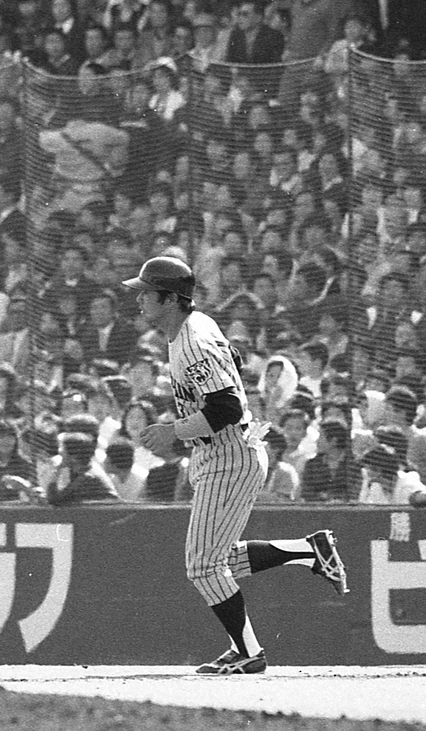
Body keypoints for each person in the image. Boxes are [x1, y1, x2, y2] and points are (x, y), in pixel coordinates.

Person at [124, 256, 349, 675]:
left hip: (230, 456)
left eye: (146, 292)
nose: (139, 299)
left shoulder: (191, 339)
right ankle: (309, 550)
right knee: (217, 559)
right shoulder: (197, 325)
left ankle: (249, 652)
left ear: (170, 299)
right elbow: (234, 359)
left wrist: (174, 430)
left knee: (202, 566)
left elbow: (226, 406)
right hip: (224, 452)